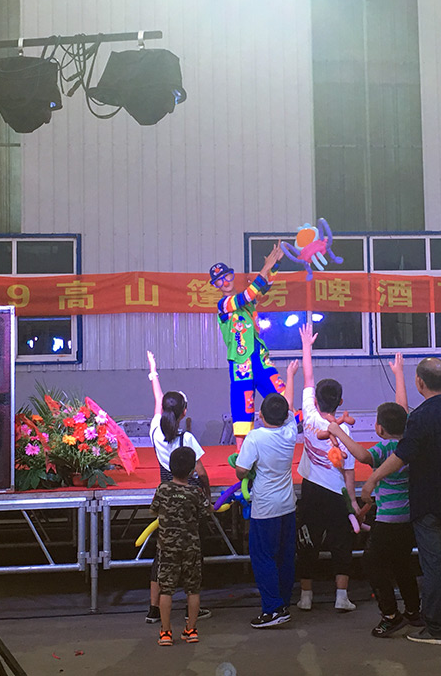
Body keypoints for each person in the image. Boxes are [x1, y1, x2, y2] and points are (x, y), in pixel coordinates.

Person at [361, 357, 441, 645]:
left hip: (429, 503)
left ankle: (436, 629)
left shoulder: (419, 418)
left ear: (419, 382)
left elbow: (402, 455)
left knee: (433, 566)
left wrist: (373, 478)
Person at [324, 352, 422, 636]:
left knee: (372, 563)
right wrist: (399, 373)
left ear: (379, 428)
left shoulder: (385, 450)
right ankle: (414, 611)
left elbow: (362, 455)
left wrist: (338, 430)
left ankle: (390, 614)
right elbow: (402, 410)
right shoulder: (408, 444)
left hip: (388, 522)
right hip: (408, 520)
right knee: (403, 565)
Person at [143, 351, 212, 625]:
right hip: (189, 501)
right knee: (190, 558)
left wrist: (153, 370)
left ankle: (153, 609)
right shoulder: (188, 439)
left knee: (162, 554)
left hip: (167, 497)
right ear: (185, 413)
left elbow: (157, 401)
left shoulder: (155, 431)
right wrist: (206, 495)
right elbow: (202, 473)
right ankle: (190, 610)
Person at [295, 321, 358, 613]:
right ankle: (341, 596)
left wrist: (306, 347)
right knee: (341, 542)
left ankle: (306, 596)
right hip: (335, 494)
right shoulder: (344, 432)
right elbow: (349, 471)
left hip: (311, 491)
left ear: (315, 400)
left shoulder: (308, 416)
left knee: (307, 540)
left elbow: (308, 377)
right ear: (341, 401)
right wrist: (352, 501)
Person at [210, 243, 286, 448]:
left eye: (227, 277)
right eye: (219, 281)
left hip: (259, 357)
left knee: (281, 396)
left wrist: (275, 265)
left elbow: (263, 288)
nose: (225, 283)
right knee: (243, 405)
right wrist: (265, 267)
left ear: (232, 275)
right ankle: (241, 456)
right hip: (240, 362)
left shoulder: (248, 302)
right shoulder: (223, 305)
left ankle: (286, 440)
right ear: (216, 286)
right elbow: (247, 295)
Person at [235, 392, 300, 628]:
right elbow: (290, 412)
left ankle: (273, 609)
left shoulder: (255, 437)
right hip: (287, 505)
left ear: (260, 415)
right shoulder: (290, 432)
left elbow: (241, 471)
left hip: (265, 508)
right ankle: (283, 602)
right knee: (285, 557)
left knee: (264, 557)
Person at [149, 446, 210, 645]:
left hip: (167, 548)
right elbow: (205, 513)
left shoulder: (163, 489)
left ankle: (166, 632)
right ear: (192, 471)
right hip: (191, 547)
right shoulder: (196, 492)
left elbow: (153, 511)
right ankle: (191, 630)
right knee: (193, 590)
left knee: (166, 590)